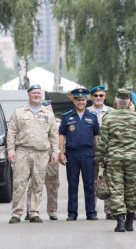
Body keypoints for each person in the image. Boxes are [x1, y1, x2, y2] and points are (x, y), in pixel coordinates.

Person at [7, 84, 59, 224]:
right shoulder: (19, 112)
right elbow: (11, 132)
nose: (36, 95)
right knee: (19, 183)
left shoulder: (48, 113)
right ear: (28, 94)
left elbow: (54, 135)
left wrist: (55, 152)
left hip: (41, 153)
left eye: (38, 93)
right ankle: (16, 213)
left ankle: (34, 212)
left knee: (38, 183)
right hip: (23, 151)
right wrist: (10, 150)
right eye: (34, 93)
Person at [96, 89, 136, 232]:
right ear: (129, 102)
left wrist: (99, 158)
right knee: (130, 190)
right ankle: (130, 222)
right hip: (132, 159)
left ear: (116, 101)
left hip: (114, 159)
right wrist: (133, 111)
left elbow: (103, 141)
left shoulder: (108, 117)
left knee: (117, 190)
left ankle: (120, 222)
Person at [59, 87, 100, 221]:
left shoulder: (92, 117)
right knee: (72, 184)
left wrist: (98, 153)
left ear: (86, 100)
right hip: (72, 153)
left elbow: (96, 137)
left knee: (89, 183)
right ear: (74, 101)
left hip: (88, 153)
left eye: (83, 99)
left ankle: (91, 212)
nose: (80, 102)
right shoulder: (67, 116)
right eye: (78, 100)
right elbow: (62, 135)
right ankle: (72, 213)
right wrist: (61, 153)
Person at [87, 86, 115, 219]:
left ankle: (109, 210)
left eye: (101, 95)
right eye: (96, 95)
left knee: (109, 180)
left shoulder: (112, 112)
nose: (98, 98)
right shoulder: (86, 112)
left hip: (109, 151)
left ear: (105, 97)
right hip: (91, 151)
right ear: (92, 97)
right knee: (92, 180)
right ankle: (92, 210)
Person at [43, 101, 60, 220]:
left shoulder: (58, 122)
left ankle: (52, 211)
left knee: (53, 184)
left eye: (49, 109)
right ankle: (31, 210)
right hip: (38, 153)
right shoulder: (36, 120)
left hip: (52, 155)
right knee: (34, 183)